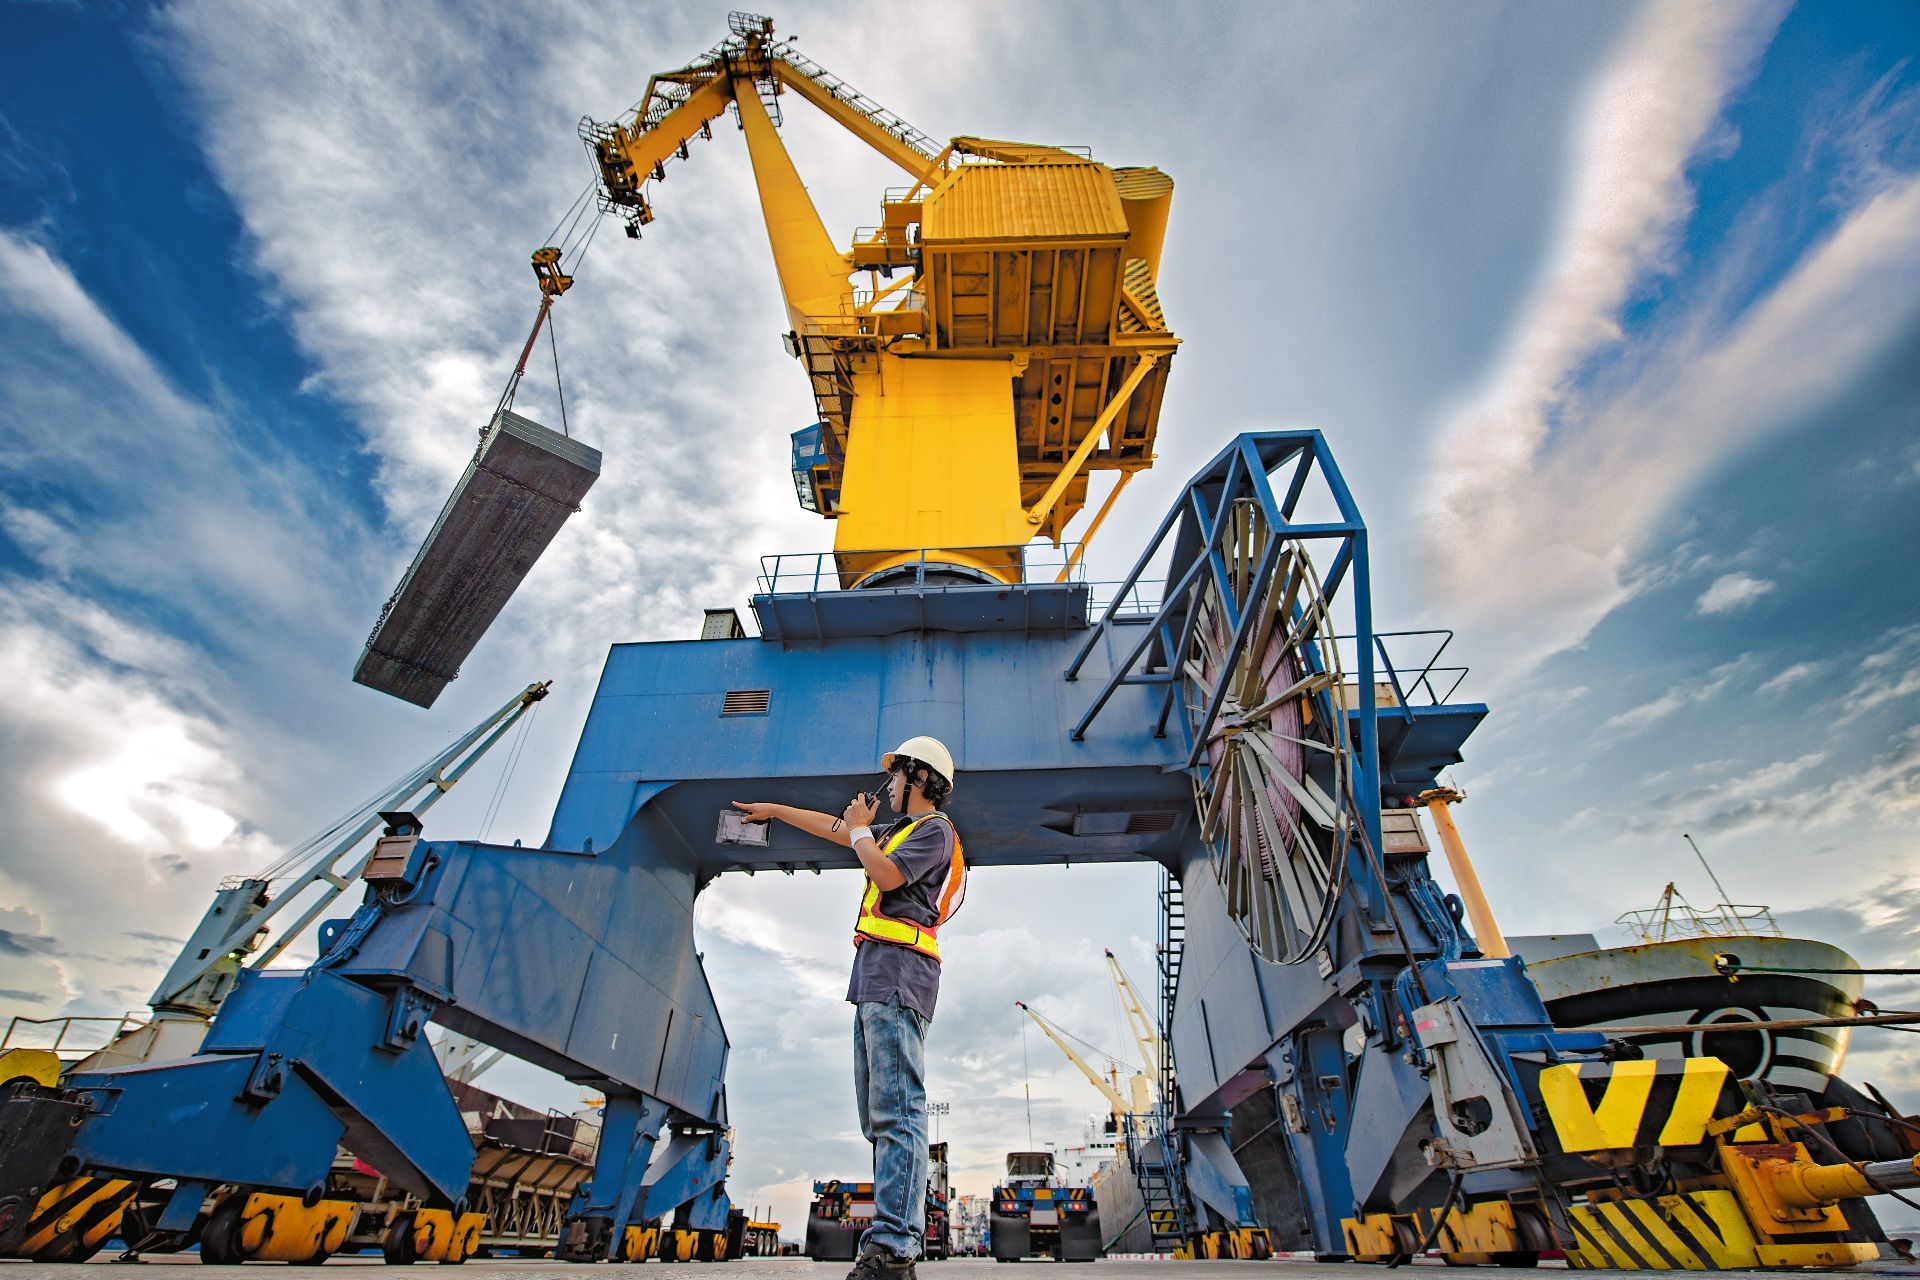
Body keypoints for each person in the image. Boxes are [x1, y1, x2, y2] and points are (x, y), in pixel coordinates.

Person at [732, 736, 966, 1280]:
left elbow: (885, 875)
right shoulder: (895, 833)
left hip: (901, 974)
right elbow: (834, 828)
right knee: (877, 1117)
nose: (890, 785)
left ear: (920, 778)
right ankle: (893, 1245)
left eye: (897, 775)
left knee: (898, 1111)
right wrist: (776, 811)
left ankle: (894, 1248)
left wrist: (861, 829)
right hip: (874, 978)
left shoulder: (935, 831)